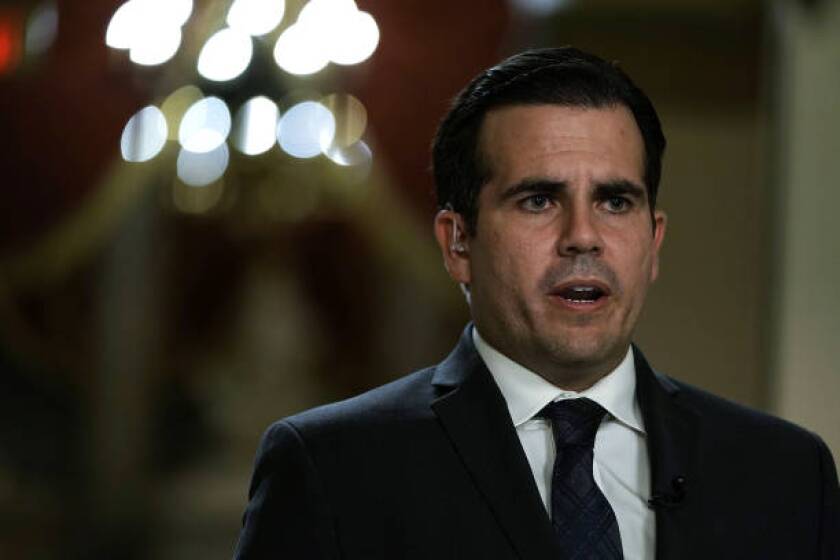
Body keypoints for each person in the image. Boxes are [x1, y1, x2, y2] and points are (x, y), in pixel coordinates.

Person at [232, 47, 839, 559]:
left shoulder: (785, 474)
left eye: (615, 201)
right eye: (539, 200)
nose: (582, 234)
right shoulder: (331, 469)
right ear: (458, 243)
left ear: (653, 244)